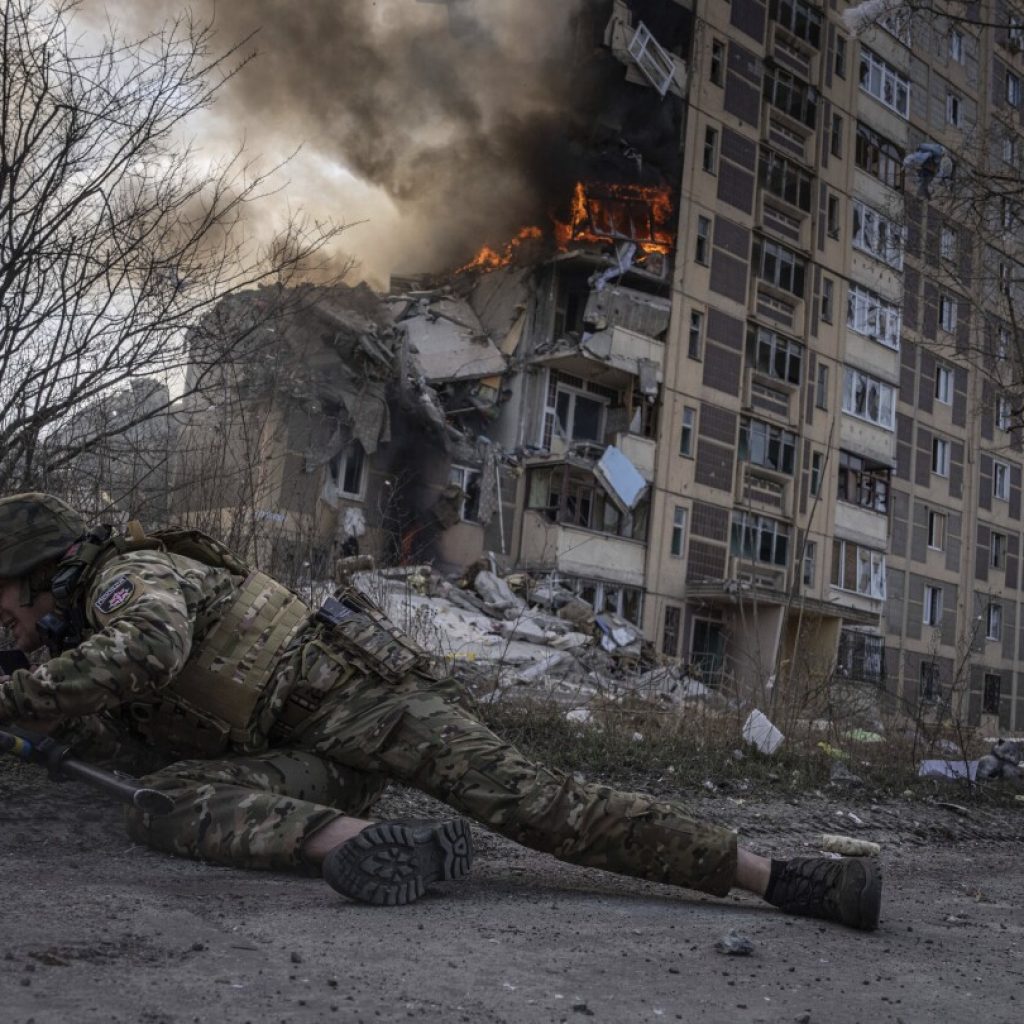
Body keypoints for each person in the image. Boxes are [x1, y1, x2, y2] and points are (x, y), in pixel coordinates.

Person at [0, 492, 882, 927]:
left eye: (4, 602)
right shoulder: (80, 627)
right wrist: (40, 718)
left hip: (373, 708)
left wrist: (17, 694)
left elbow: (149, 648)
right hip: (312, 766)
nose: (5, 626)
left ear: (45, 572)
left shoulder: (127, 577)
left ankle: (785, 877)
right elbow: (122, 733)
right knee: (162, 800)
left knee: (545, 808)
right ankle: (369, 848)